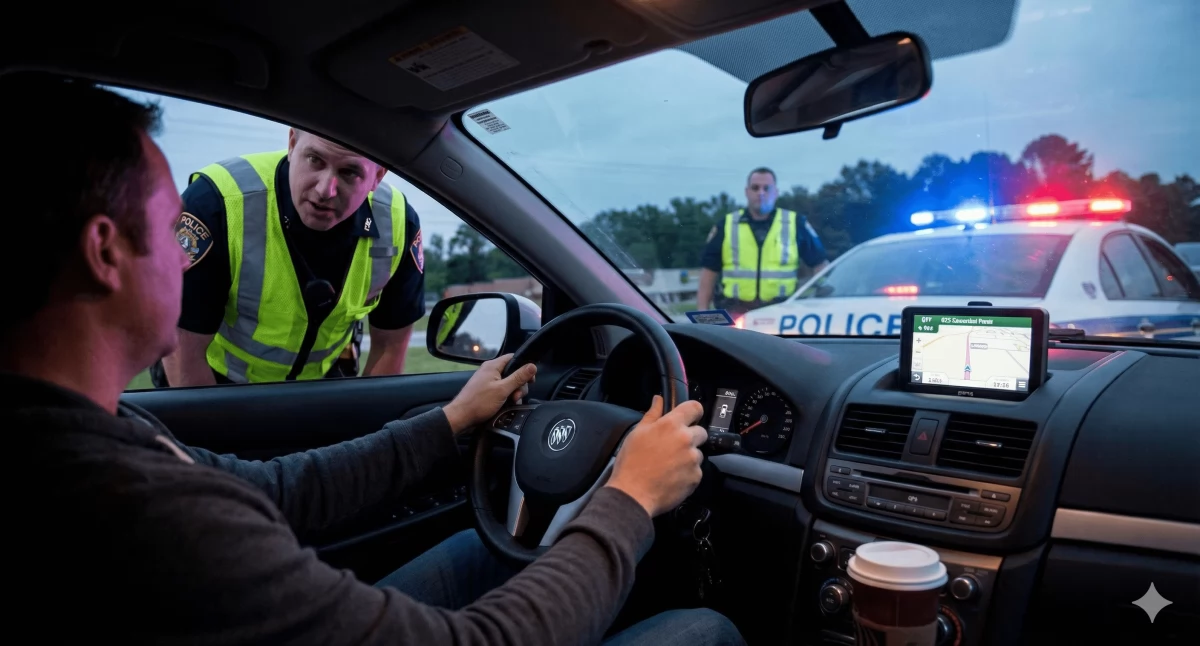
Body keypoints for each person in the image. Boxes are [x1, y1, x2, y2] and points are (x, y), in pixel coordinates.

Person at [3, 76, 745, 645]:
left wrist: (451, 420)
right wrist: (629, 499)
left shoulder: (91, 428)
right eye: (168, 229)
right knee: (705, 632)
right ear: (106, 252)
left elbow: (282, 489)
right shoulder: (134, 509)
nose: (186, 251)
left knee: (477, 552)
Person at [156, 127, 427, 387]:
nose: (325, 189)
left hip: (320, 389)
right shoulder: (218, 203)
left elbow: (390, 348)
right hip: (218, 383)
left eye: (349, 172)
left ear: (377, 177)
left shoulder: (398, 225)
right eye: (314, 160)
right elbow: (182, 351)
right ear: (292, 144)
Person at [697, 167, 829, 317]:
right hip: (736, 314)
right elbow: (708, 274)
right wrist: (703, 315)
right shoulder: (726, 225)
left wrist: (824, 303)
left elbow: (821, 266)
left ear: (776, 192)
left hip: (782, 314)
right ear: (747, 192)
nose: (761, 193)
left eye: (767, 188)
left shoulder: (795, 223)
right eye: (755, 188)